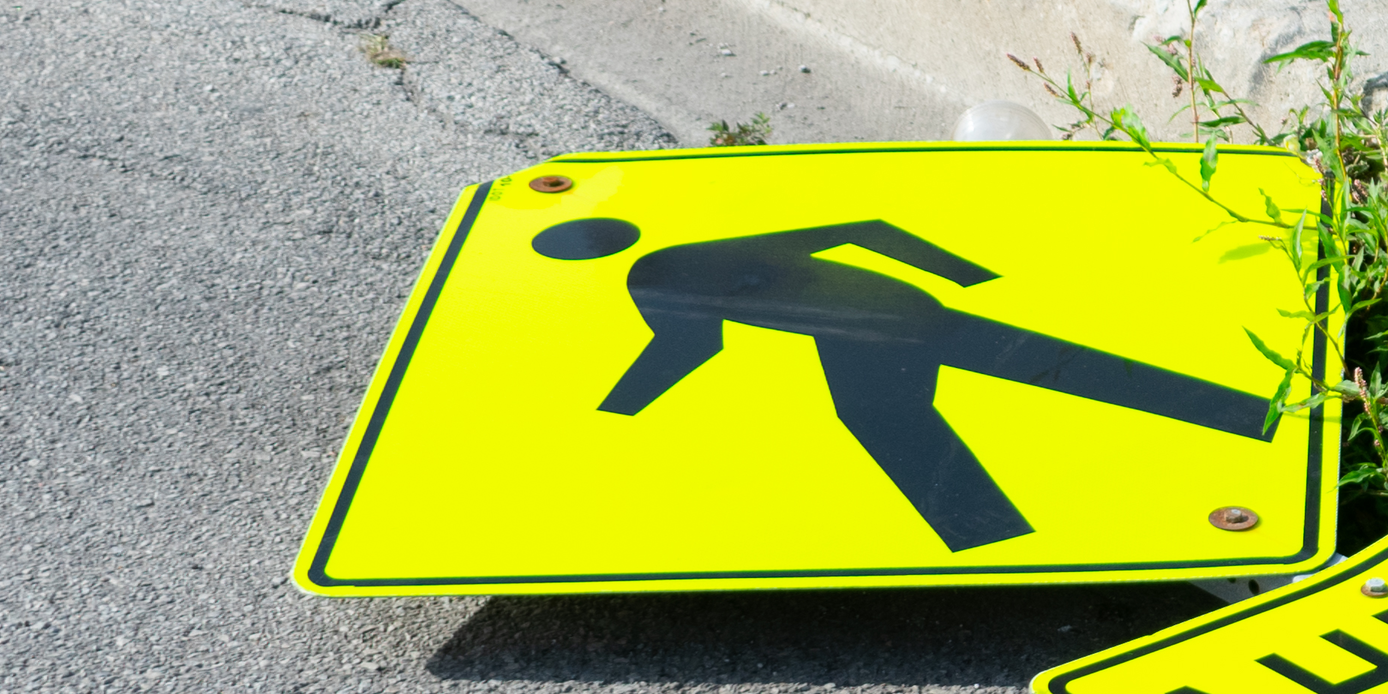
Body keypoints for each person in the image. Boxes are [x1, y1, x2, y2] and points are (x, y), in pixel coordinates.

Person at [534, 215, 1276, 552]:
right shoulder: (700, 247)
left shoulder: (660, 274)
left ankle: (989, 536)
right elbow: (867, 231)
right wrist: (965, 277)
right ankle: (1261, 419)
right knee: (1067, 370)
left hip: (872, 329)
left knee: (888, 416)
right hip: (891, 316)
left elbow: (687, 347)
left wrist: (616, 411)